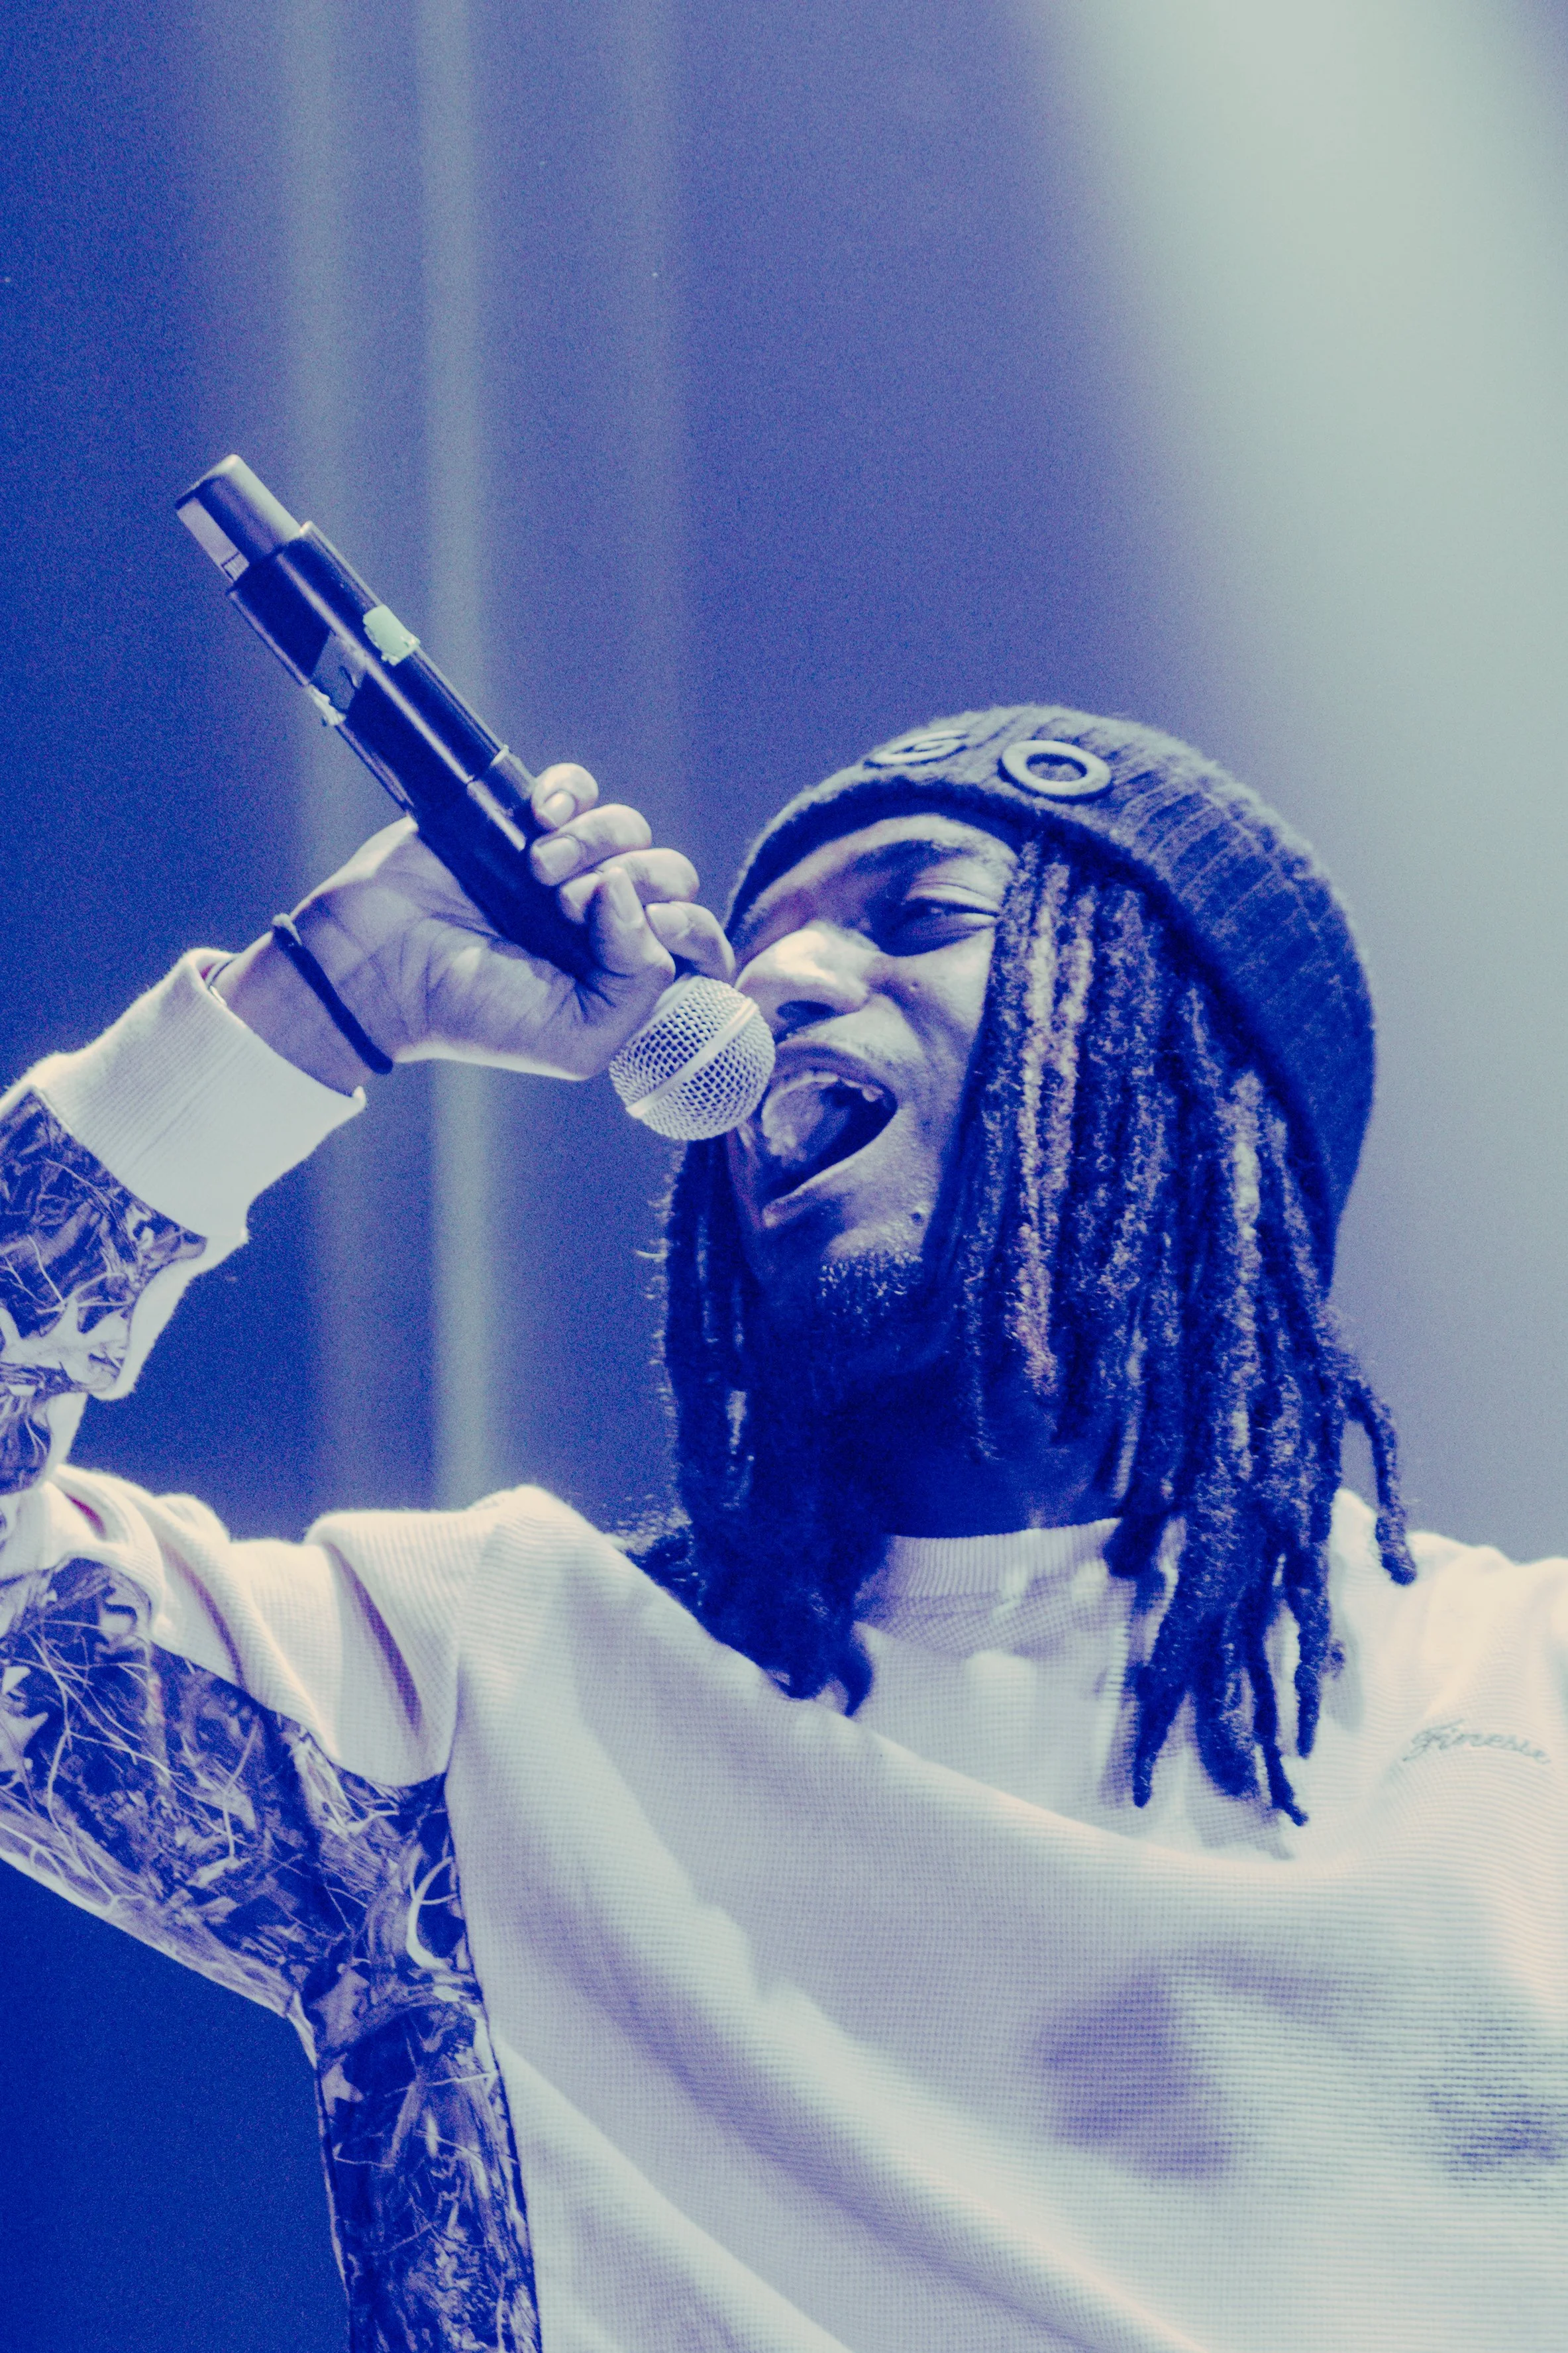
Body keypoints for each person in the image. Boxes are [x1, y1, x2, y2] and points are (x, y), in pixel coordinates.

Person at [0, 703, 1561, 2353]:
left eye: (923, 917)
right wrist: (322, 1001)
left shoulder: (1522, 1692)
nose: (773, 987)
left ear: (1189, 1072)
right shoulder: (492, 1680)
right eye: (761, 947)